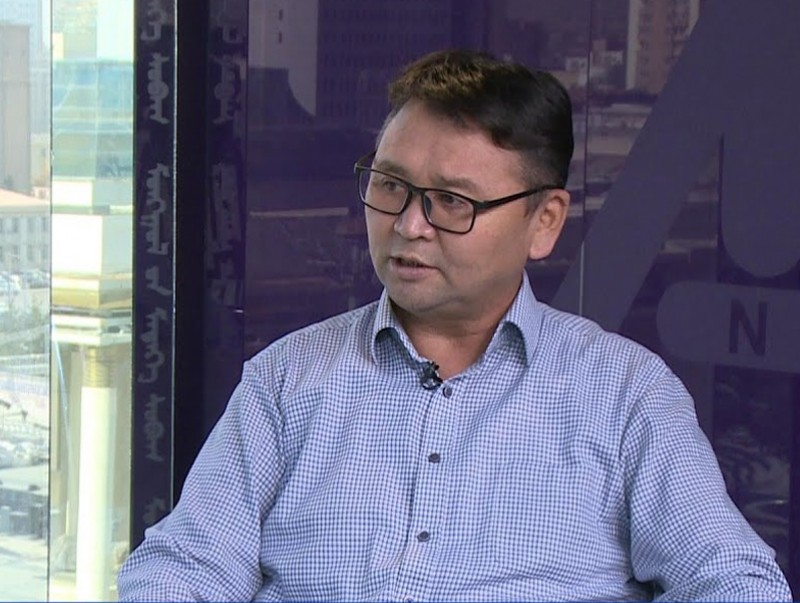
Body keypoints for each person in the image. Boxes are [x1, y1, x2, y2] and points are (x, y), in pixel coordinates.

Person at [117, 49, 792, 601]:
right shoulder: (287, 379)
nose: (409, 225)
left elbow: (736, 584)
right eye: (390, 185)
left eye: (451, 201)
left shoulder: (624, 394)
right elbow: (184, 569)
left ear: (544, 221)